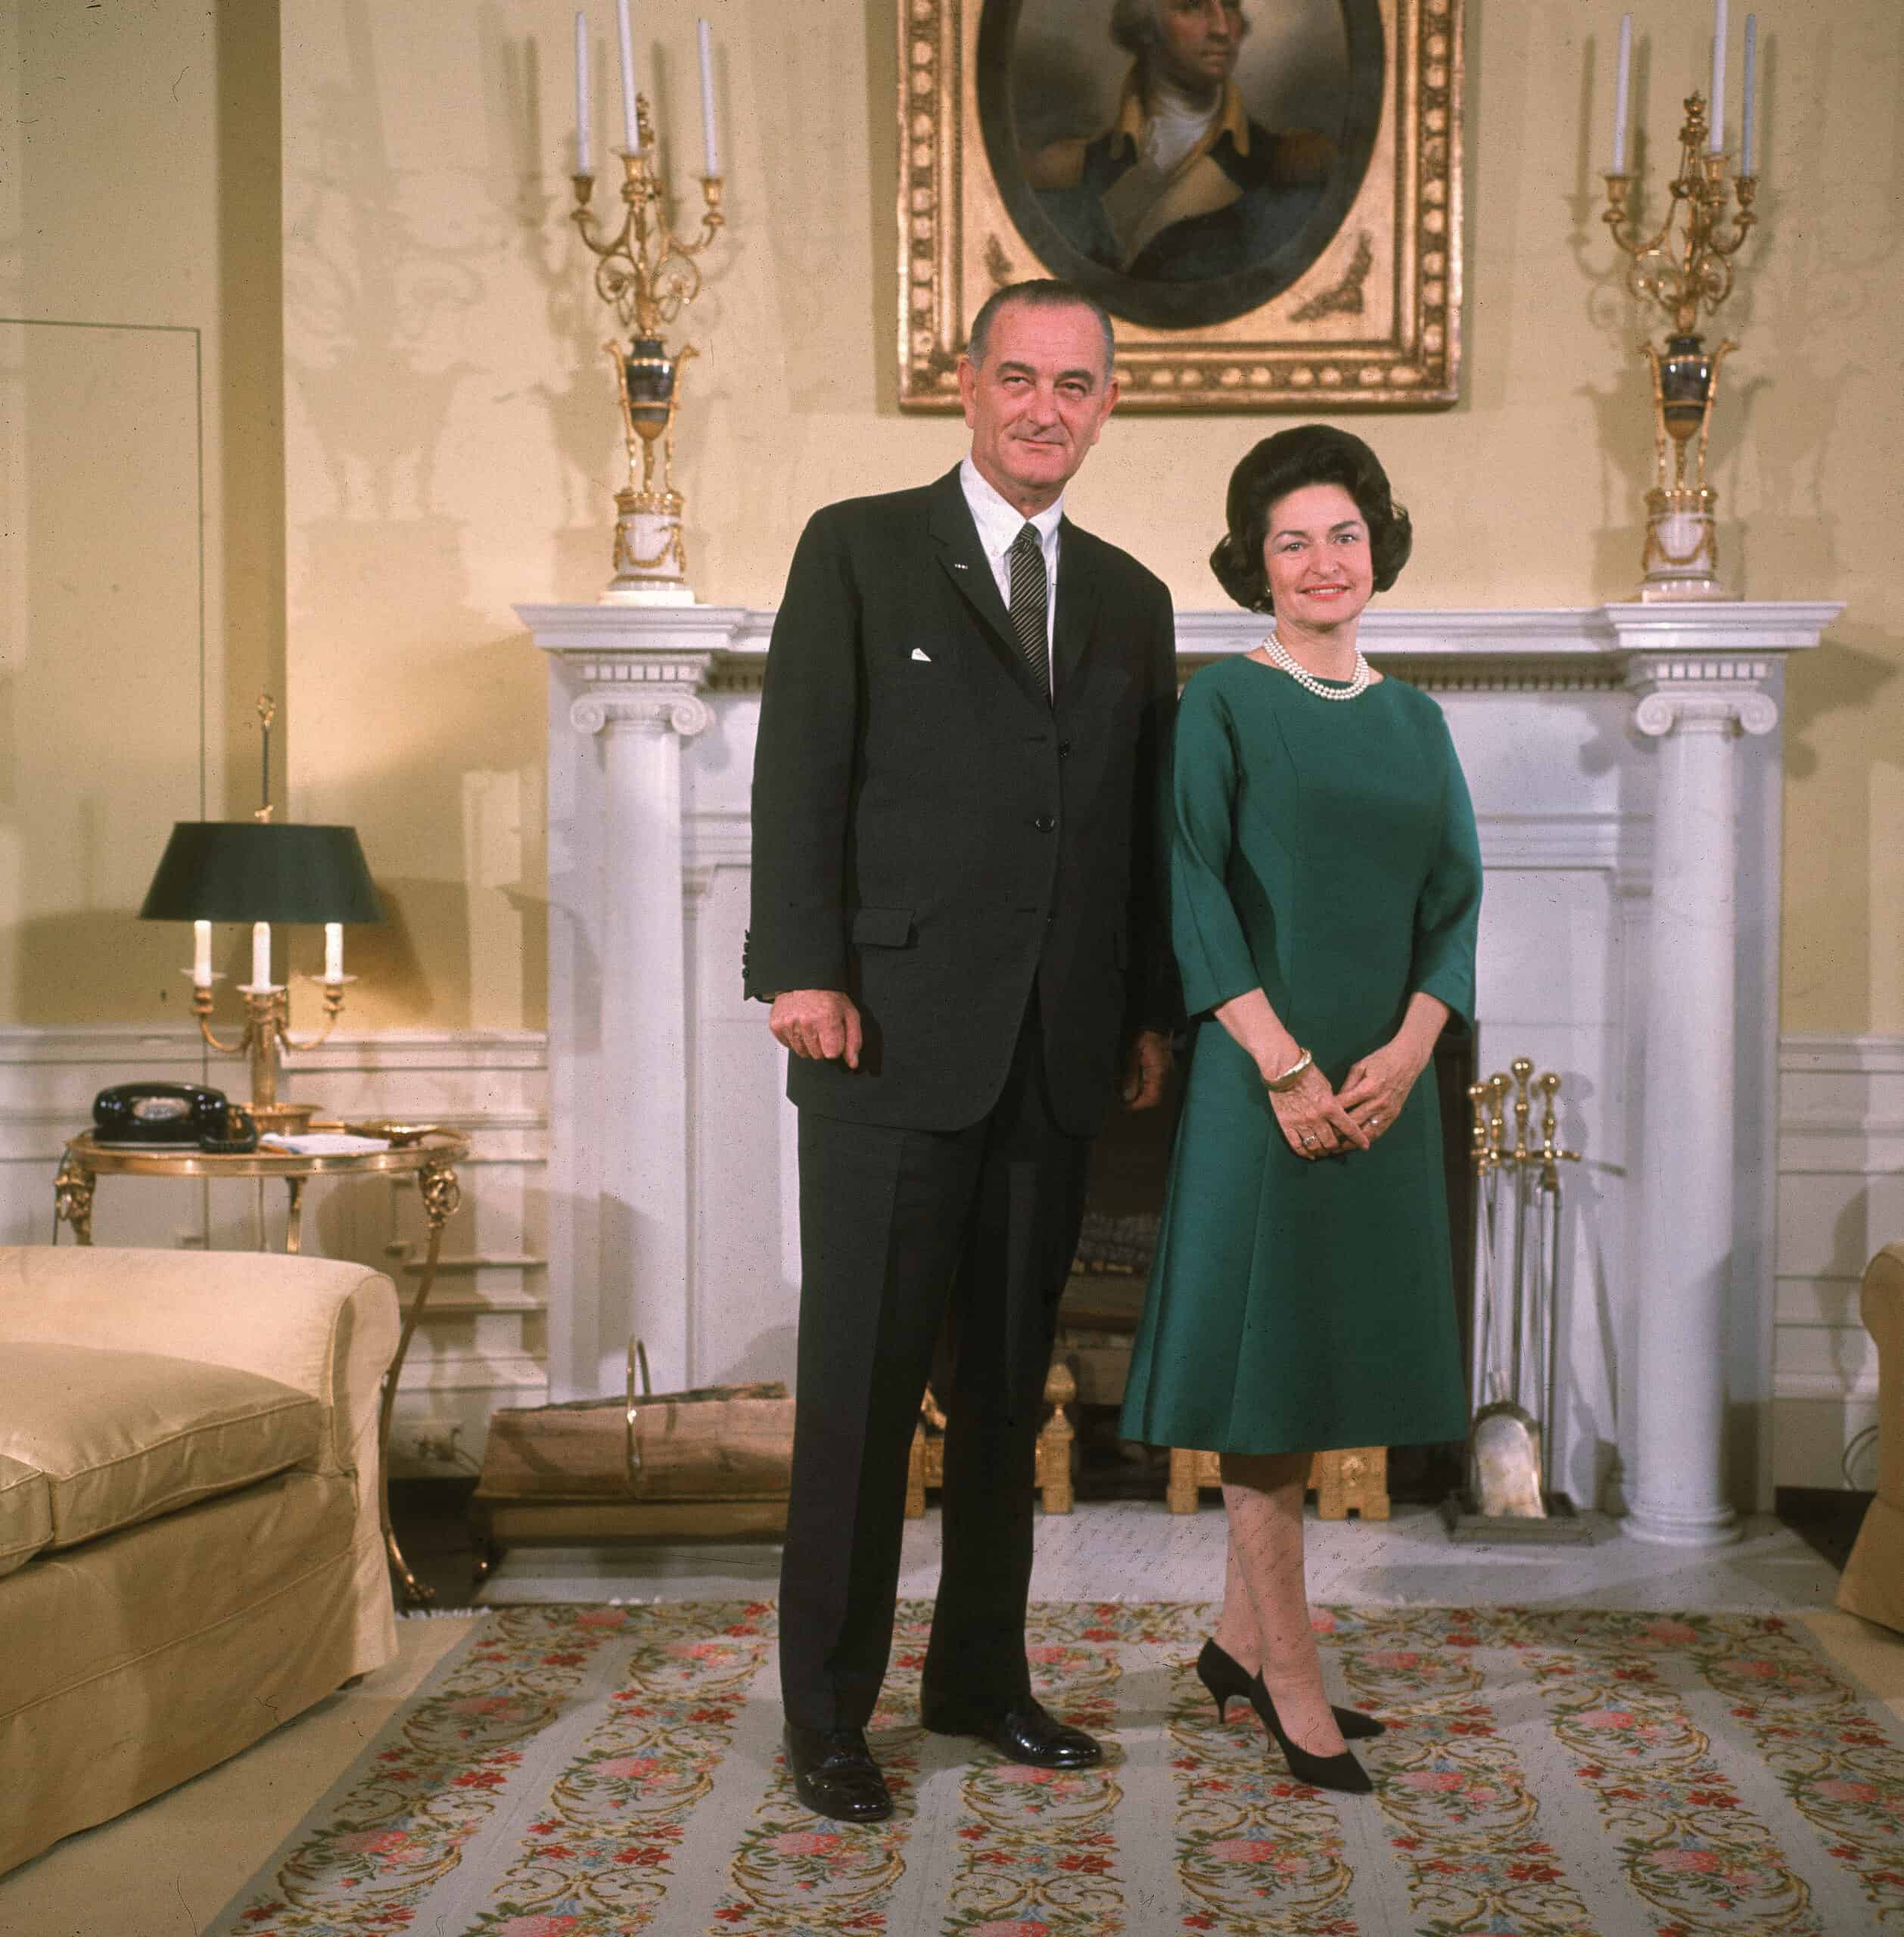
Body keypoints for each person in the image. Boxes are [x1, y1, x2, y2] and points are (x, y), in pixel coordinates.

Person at [745, 278, 1179, 1824]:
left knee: (1007, 1397)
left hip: (1054, 1057)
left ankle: (980, 1679)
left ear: (1106, 405)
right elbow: (800, 767)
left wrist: (1144, 1009)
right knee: (859, 1400)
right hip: (882, 1044)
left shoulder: (1130, 597)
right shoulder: (857, 549)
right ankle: (827, 1714)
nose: (1044, 409)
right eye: (1019, 378)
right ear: (967, 385)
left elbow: (1131, 829)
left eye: (1074, 385)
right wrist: (801, 968)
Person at [1119, 424, 1481, 1794]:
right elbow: (1189, 887)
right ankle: (1290, 1675)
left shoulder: (1417, 722)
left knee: (1326, 1365)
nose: (1324, 562)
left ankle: (1233, 1641)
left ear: (1376, 549)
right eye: (1293, 541)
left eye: (1344, 534)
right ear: (1254, 565)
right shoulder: (1221, 701)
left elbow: (1456, 900)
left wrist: (1413, 1048)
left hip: (1385, 1087)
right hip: (1260, 1082)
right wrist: (1283, 1064)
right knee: (1265, 1381)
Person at [1026, 0, 1334, 284]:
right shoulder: (1070, 171)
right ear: (1145, 25)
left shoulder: (1289, 167)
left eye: (1229, 5)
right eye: (1191, 6)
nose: (1221, 29)